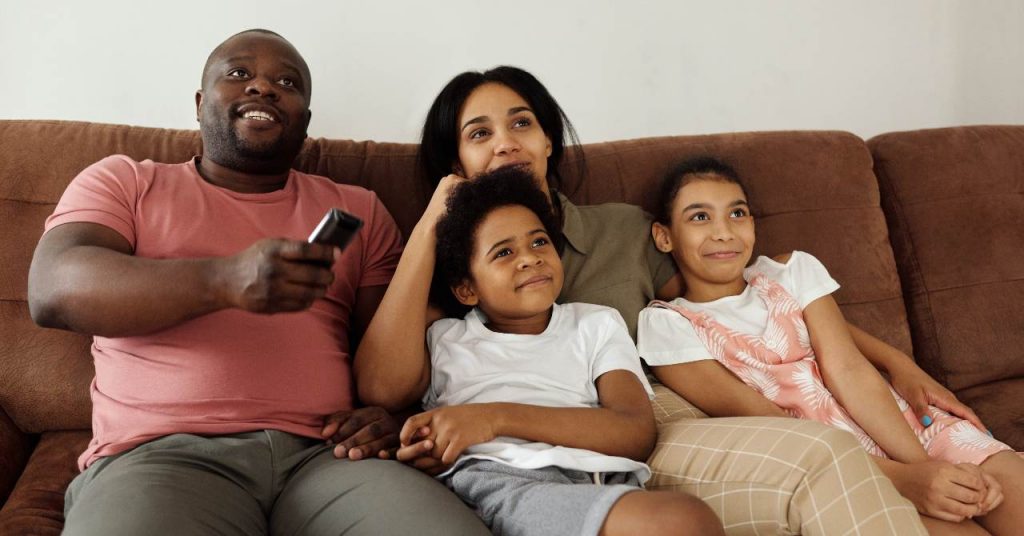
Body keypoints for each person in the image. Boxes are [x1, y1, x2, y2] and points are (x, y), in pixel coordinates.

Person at [355, 65, 930, 534]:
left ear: (548, 139)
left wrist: (892, 359)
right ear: (457, 165)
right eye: (480, 134)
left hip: (657, 414)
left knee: (821, 456)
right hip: (530, 458)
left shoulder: (624, 233)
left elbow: (745, 295)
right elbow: (386, 386)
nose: (506, 143)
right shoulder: (455, 269)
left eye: (522, 124)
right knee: (817, 461)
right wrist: (436, 217)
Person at [26, 29, 488, 535]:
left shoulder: (357, 209)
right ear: (200, 103)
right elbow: (52, 289)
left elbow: (390, 355)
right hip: (163, 457)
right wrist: (224, 280)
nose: (263, 88)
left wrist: (393, 415)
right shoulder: (127, 181)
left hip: (331, 456)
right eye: (239, 74)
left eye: (286, 82)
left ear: (305, 124)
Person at [637, 156, 1024, 536]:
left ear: (753, 223)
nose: (724, 232)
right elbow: (771, 426)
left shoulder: (790, 272)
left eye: (737, 214)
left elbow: (848, 369)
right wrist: (908, 480)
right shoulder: (668, 326)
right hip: (840, 470)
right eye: (699, 217)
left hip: (909, 430)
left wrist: (927, 468)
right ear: (664, 236)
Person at [399, 166, 725, 535]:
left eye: (539, 242)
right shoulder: (444, 338)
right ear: (466, 290)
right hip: (505, 480)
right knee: (682, 521)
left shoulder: (597, 324)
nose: (529, 258)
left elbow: (635, 431)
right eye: (503, 252)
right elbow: (388, 393)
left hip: (603, 478)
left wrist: (493, 418)